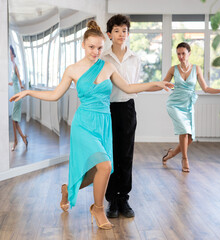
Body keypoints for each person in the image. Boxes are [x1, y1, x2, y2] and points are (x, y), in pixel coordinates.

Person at [10, 20, 173, 230]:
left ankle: (68, 190)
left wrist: (156, 84)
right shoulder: (73, 70)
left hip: (104, 123)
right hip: (84, 124)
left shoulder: (108, 66)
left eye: (99, 48)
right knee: (105, 166)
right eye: (91, 47)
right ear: (83, 44)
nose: (95, 52)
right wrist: (29, 92)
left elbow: (129, 88)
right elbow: (54, 95)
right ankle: (97, 208)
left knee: (98, 171)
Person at [161, 42, 220, 172]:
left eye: (183, 53)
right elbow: (163, 83)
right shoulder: (173, 69)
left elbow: (206, 88)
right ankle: (185, 159)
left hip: (188, 106)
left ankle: (172, 154)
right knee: (184, 132)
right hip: (174, 104)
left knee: (190, 138)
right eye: (178, 54)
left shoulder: (196, 69)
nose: (181, 56)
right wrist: (154, 86)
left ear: (189, 53)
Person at [101, 14, 140, 218]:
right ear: (109, 34)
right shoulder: (103, 58)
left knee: (126, 154)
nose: (121, 34)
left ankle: (123, 198)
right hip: (107, 109)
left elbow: (133, 86)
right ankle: (111, 200)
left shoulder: (136, 58)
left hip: (127, 108)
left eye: (124, 30)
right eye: (116, 30)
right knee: (110, 155)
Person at [9, 45, 28, 151]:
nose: (10, 56)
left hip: (17, 96)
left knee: (13, 120)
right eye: (9, 54)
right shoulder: (12, 67)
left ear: (14, 55)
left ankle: (16, 141)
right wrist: (9, 83)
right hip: (16, 95)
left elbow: (19, 78)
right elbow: (14, 81)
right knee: (15, 121)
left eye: (11, 54)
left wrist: (21, 86)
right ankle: (23, 138)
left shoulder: (15, 66)